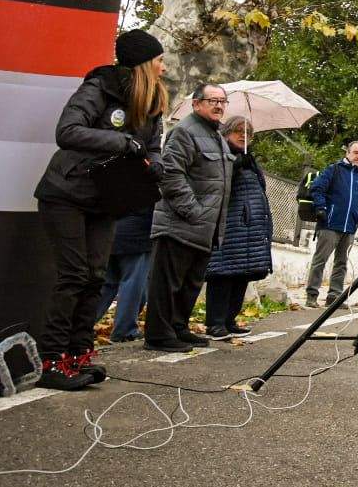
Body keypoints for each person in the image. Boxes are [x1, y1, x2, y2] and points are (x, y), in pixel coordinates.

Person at [32, 29, 168, 388]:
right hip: (66, 192)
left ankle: (80, 354)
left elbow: (152, 146)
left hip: (106, 200)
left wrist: (155, 163)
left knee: (94, 277)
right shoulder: (99, 87)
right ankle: (51, 361)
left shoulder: (153, 102)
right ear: (142, 64)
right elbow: (68, 131)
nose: (163, 68)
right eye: (158, 61)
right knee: (74, 275)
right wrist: (123, 142)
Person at [145, 83, 233, 353]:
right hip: (179, 224)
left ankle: (178, 327)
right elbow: (170, 175)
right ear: (196, 104)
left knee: (190, 283)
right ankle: (159, 334)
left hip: (204, 229)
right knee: (167, 283)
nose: (218, 105)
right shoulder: (184, 131)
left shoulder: (216, 136)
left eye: (222, 101)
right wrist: (193, 212)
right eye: (211, 100)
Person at [202, 116, 274, 340]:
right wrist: (233, 165)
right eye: (239, 131)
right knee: (222, 276)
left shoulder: (249, 159)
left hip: (248, 229)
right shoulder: (222, 155)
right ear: (226, 133)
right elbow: (214, 183)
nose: (244, 136)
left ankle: (229, 320)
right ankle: (215, 324)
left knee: (241, 275)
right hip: (229, 227)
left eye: (248, 133)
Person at [305, 141, 358, 307]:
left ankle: (334, 297)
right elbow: (317, 189)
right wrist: (321, 208)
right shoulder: (333, 170)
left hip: (349, 228)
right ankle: (311, 296)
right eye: (356, 152)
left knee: (341, 263)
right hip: (329, 224)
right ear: (348, 153)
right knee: (320, 261)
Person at [94, 206, 153, 343]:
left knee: (107, 285)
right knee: (133, 283)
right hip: (137, 233)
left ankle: (81, 325)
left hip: (111, 230)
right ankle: (125, 330)